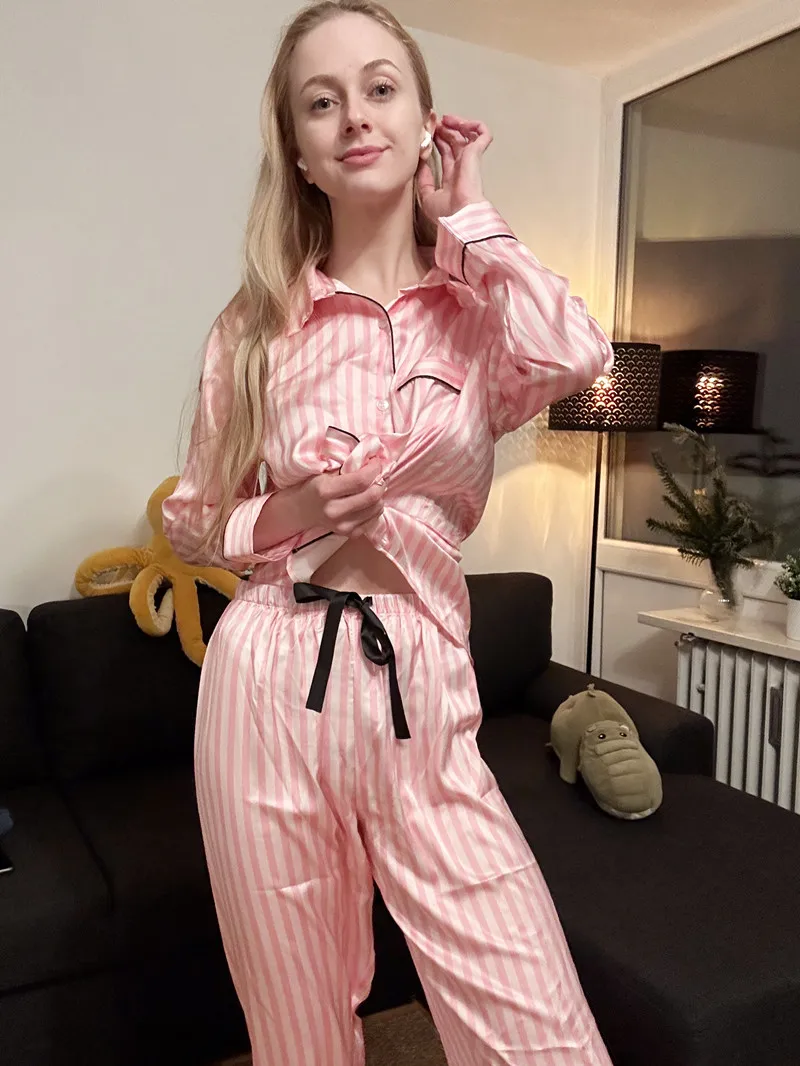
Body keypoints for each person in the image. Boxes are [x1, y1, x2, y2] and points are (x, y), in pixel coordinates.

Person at [163, 2, 615, 1063]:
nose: (354, 117)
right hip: (267, 673)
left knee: (539, 1031)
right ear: (300, 152)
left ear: (424, 122)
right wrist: (291, 511)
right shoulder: (255, 326)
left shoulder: (478, 312)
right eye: (320, 103)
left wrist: (473, 216)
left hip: (419, 670)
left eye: (379, 89)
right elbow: (194, 521)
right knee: (296, 1029)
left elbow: (577, 353)